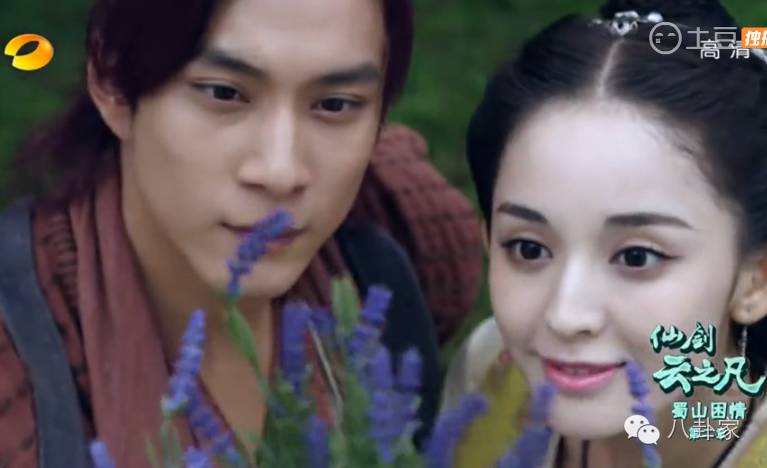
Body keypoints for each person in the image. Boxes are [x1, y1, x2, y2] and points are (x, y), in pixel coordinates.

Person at [0, 0, 484, 466]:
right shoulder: (16, 382)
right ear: (112, 81)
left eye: (334, 104)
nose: (281, 171)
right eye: (223, 94)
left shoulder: (400, 249)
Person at [444, 0, 767, 466]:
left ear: (756, 281)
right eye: (529, 248)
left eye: (637, 257)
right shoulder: (489, 379)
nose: (566, 315)